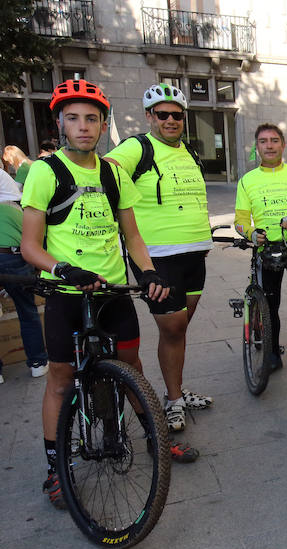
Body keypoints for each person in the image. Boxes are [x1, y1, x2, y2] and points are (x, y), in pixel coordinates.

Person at [18, 79, 194, 509]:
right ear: (59, 122)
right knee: (60, 381)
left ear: (103, 124)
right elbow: (29, 245)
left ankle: (155, 438)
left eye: (92, 119)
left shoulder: (114, 173)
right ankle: (55, 469)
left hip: (112, 291)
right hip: (66, 294)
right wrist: (62, 268)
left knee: (131, 366)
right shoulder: (45, 171)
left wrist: (150, 272)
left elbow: (132, 234)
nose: (83, 127)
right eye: (74, 118)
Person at [105, 83, 213, 433]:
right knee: (172, 327)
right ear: (149, 116)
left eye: (177, 115)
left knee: (179, 329)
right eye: (162, 114)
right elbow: (103, 172)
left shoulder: (189, 152)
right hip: (158, 257)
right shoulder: (137, 147)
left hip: (194, 252)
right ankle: (173, 400)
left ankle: (175, 393)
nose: (170, 120)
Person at [234, 123, 287, 381]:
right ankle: (273, 356)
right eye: (263, 141)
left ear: (283, 145)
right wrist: (250, 234)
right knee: (270, 308)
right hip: (266, 250)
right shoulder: (247, 180)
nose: (269, 145)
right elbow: (240, 220)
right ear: (257, 147)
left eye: (274, 140)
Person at [0, 171, 48, 383]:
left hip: (10, 259)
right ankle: (37, 362)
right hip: (13, 259)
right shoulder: (14, 210)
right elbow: (33, 241)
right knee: (27, 311)